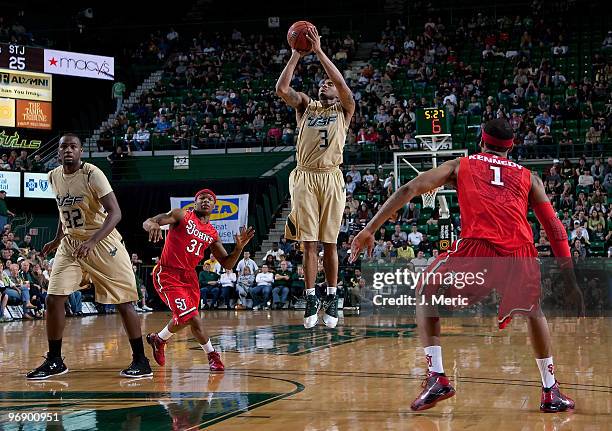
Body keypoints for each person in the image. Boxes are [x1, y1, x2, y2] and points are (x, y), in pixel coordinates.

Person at [351, 118, 579, 413]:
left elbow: (409, 189)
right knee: (534, 312)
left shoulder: (461, 164)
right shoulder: (529, 177)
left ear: (481, 142)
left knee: (425, 291)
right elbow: (555, 229)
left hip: (478, 248)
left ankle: (437, 377)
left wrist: (369, 229)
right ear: (510, 149)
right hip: (519, 253)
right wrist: (571, 280)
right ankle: (551, 391)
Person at [26, 133, 151, 379]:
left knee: (124, 301)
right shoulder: (53, 176)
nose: (68, 150)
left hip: (102, 241)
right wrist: (57, 237)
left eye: (73, 146)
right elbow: (64, 210)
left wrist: (93, 241)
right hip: (71, 243)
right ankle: (54, 361)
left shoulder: (93, 173)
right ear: (58, 152)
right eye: (64, 147)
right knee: (54, 298)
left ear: (81, 151)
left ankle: (141, 359)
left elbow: (115, 213)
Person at [276, 26, 355, 329]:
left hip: (331, 177)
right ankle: (311, 297)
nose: (325, 85)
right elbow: (283, 90)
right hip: (305, 177)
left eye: (328, 83)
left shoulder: (345, 108)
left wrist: (319, 51)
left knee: (330, 243)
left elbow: (342, 85)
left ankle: (332, 296)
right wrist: (296, 54)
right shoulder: (306, 106)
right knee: (309, 244)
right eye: (321, 83)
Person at [143, 189, 254, 371]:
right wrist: (153, 224)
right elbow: (149, 222)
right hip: (168, 274)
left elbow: (227, 264)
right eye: (202, 198)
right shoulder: (181, 215)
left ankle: (159, 339)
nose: (206, 201)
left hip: (189, 277)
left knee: (185, 318)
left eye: (210, 199)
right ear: (195, 202)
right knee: (192, 317)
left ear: (214, 206)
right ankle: (213, 356)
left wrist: (238, 248)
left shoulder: (212, 233)